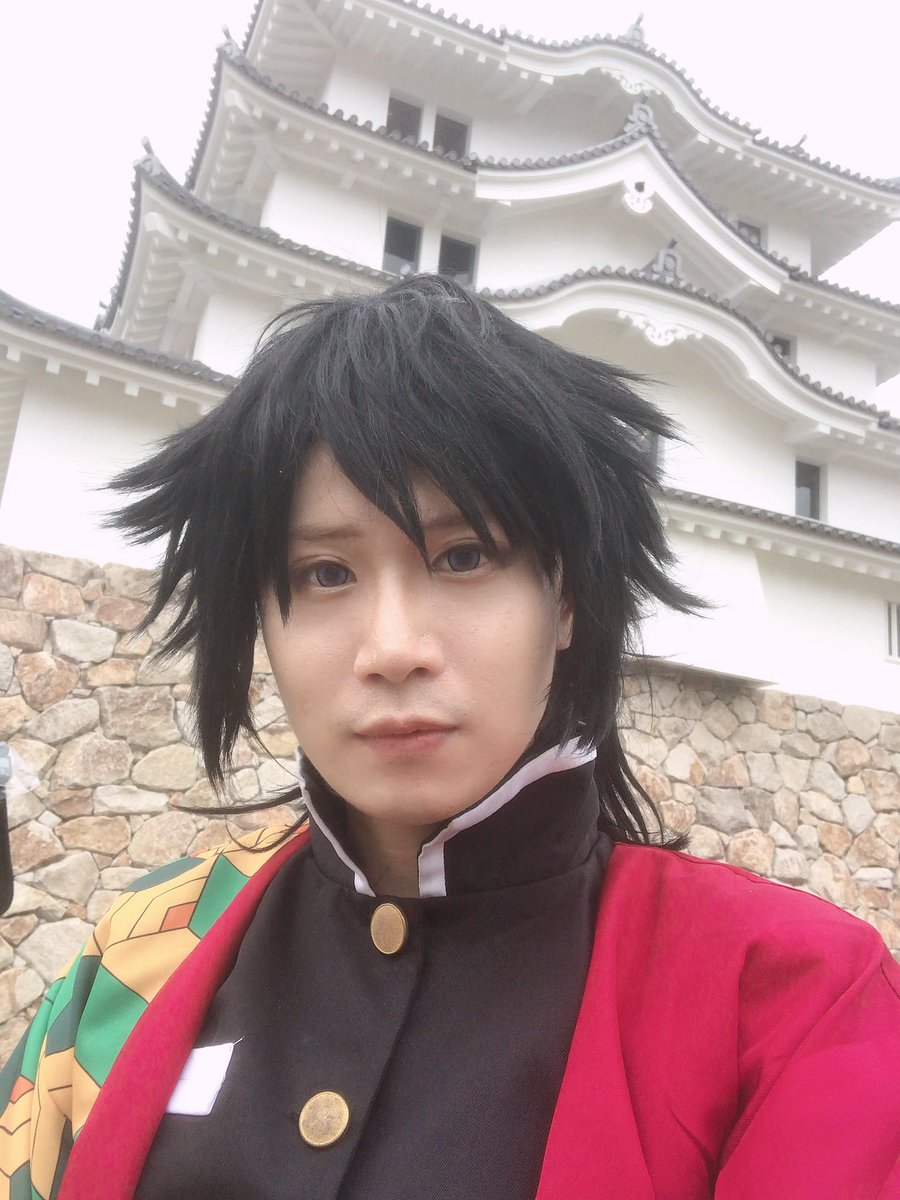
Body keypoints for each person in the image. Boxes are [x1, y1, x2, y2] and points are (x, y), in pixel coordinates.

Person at [0, 275, 898, 1200]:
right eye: (324, 573)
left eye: (464, 556)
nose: (393, 649)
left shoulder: (790, 998)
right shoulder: (133, 957)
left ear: (566, 600)